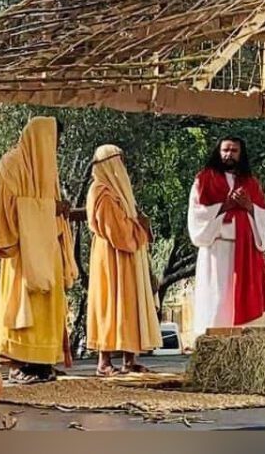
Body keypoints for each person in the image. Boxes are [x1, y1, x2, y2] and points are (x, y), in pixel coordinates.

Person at [0, 116, 78, 384]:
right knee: (23, 307)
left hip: (48, 246)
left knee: (47, 307)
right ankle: (18, 364)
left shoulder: (46, 165)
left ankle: (42, 362)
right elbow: (7, 208)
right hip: (22, 250)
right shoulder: (11, 164)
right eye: (56, 141)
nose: (57, 147)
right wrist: (50, 209)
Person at [187, 136, 265, 338]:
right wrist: (225, 206)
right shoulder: (204, 180)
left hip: (246, 252)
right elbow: (197, 214)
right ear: (218, 152)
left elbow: (264, 215)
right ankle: (215, 340)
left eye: (234, 150)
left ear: (241, 154)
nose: (229, 154)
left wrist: (249, 206)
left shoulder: (251, 184)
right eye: (225, 150)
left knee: (244, 300)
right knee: (218, 300)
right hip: (217, 251)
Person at [85, 145, 161, 375]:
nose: (123, 168)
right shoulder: (101, 193)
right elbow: (117, 231)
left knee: (130, 303)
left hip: (129, 257)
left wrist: (139, 226)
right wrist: (139, 227)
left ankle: (130, 359)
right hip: (111, 257)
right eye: (120, 162)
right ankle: (104, 362)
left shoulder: (119, 192)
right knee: (110, 303)